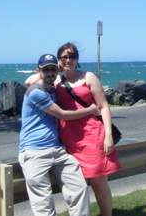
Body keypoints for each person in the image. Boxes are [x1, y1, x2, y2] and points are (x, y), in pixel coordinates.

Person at [26, 44, 121, 216]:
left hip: (92, 136)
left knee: (99, 185)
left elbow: (104, 106)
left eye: (72, 57)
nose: (68, 60)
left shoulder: (88, 77)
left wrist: (108, 135)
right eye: (63, 57)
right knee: (78, 185)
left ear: (77, 59)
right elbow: (29, 82)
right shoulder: (56, 80)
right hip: (70, 139)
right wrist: (55, 68)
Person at [19, 53, 101, 216]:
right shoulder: (36, 92)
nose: (50, 73)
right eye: (46, 70)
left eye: (53, 69)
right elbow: (62, 115)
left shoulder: (54, 89)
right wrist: (90, 110)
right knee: (43, 203)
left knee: (79, 188)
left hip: (58, 150)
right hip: (34, 152)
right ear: (39, 71)